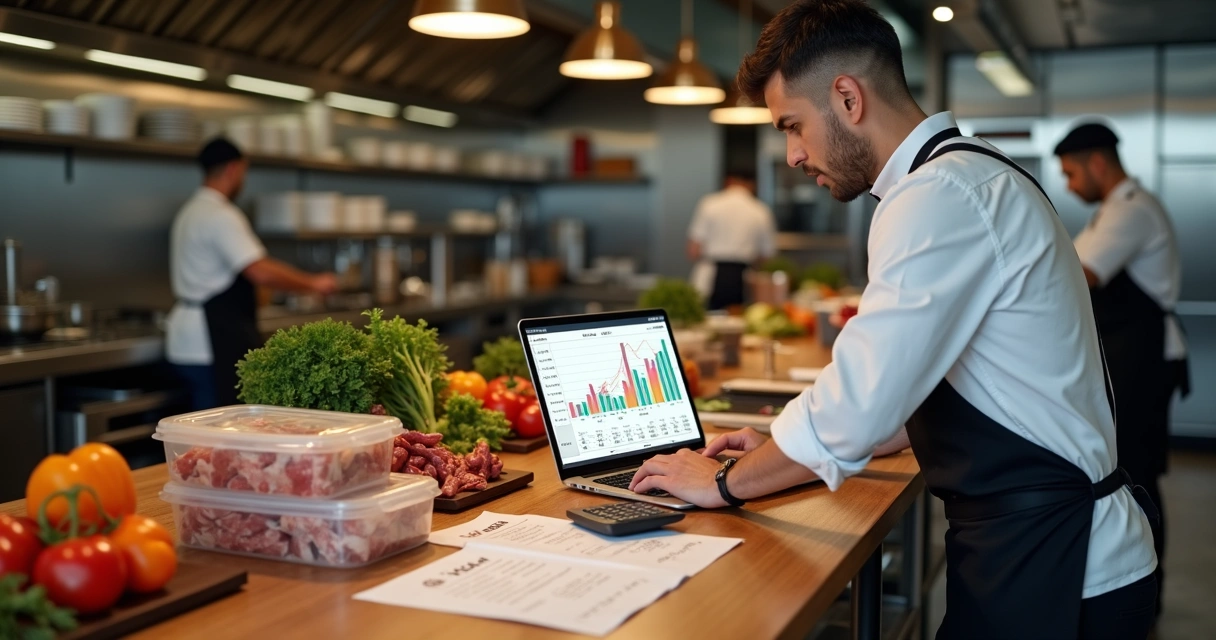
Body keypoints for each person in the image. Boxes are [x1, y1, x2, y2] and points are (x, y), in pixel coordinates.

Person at [628, 1, 1158, 638]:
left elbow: (858, 408)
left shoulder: (938, 194)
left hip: (1060, 561)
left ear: (847, 98)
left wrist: (724, 483)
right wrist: (775, 452)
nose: (793, 155)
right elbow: (919, 399)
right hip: (1037, 547)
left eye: (793, 126)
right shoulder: (966, 172)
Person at [1055, 121, 1189, 620]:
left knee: (1138, 473)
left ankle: (1146, 590)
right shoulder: (1111, 211)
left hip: (1147, 360)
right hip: (1132, 356)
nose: (1069, 185)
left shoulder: (1132, 211)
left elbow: (1075, 273)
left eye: (1071, 173)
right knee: (1132, 468)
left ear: (1097, 162)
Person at [168, 137, 338, 410]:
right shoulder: (221, 215)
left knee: (203, 430)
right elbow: (259, 270)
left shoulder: (190, 211)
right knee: (217, 433)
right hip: (210, 341)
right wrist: (314, 283)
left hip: (188, 339)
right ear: (234, 169)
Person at [687, 173, 777, 310]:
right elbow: (766, 257)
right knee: (738, 320)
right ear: (752, 185)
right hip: (743, 278)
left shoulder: (709, 204)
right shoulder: (760, 210)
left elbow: (693, 250)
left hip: (710, 276)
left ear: (728, 181)